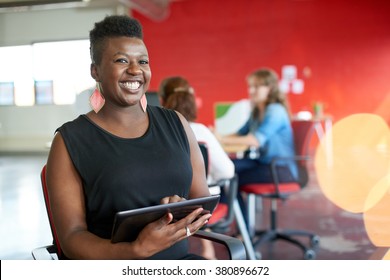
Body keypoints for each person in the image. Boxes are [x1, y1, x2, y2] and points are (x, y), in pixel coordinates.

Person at [45, 15, 212, 260]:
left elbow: (203, 203)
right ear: (96, 71)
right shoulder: (69, 141)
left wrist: (180, 209)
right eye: (121, 60)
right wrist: (135, 250)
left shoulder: (176, 123)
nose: (135, 70)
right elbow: (71, 238)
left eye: (142, 61)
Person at [216, 68, 298, 223]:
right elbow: (240, 134)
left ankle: (240, 228)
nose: (251, 90)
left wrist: (220, 139)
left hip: (280, 169)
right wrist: (217, 138)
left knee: (232, 179)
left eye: (257, 86)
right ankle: (228, 219)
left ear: (270, 88)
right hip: (264, 163)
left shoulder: (275, 110)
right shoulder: (257, 110)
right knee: (224, 168)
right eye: (250, 86)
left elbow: (255, 140)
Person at [163, 85, 235, 260]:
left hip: (169, 203)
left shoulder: (162, 133)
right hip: (203, 200)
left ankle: (207, 248)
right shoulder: (201, 131)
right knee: (229, 181)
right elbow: (228, 171)